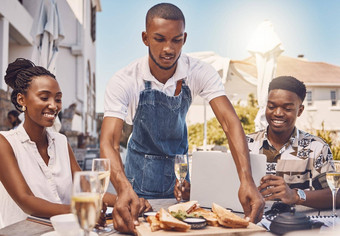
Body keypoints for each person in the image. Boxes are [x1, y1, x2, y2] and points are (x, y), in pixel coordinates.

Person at [100, 3, 264, 234]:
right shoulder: (125, 80)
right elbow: (109, 141)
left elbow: (229, 123)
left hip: (181, 178)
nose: (169, 49)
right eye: (159, 39)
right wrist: (123, 188)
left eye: (176, 40)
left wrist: (246, 180)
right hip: (138, 186)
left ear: (184, 38)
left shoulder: (199, 71)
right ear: (145, 38)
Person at [0, 58, 151, 229]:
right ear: (21, 100)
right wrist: (80, 211)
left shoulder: (61, 142)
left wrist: (126, 200)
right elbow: (25, 200)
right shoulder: (5, 143)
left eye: (57, 99)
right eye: (44, 97)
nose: (53, 105)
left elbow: (86, 189)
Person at [247, 76, 335, 209]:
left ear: (300, 111)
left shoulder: (316, 147)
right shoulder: (246, 144)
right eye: (271, 106)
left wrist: (295, 195)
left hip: (299, 226)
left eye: (287, 109)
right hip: (252, 224)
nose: (277, 113)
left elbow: (335, 196)